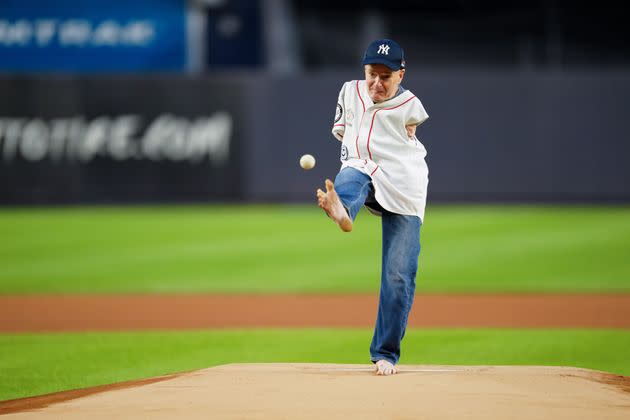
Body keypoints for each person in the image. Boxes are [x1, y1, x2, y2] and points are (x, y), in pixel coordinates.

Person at [317, 39, 429, 376]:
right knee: (352, 174)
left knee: (399, 276)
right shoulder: (349, 91)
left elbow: (414, 125)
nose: (377, 83)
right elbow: (343, 132)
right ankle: (343, 211)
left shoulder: (410, 104)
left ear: (401, 74)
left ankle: (385, 354)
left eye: (386, 76)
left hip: (403, 184)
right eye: (371, 74)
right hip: (363, 170)